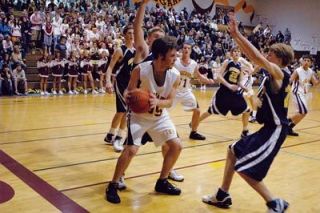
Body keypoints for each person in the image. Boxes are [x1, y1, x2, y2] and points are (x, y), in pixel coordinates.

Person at [202, 13, 294, 212]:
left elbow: (256, 57)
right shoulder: (275, 75)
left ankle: (274, 202)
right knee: (233, 151)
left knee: (246, 169)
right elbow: (256, 57)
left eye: (270, 54)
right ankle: (222, 194)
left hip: (275, 131)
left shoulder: (281, 73)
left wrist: (236, 35)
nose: (267, 56)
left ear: (279, 59)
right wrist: (235, 36)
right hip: (267, 128)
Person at [106, 36, 182, 204]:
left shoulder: (175, 75)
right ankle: (113, 184)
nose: (175, 58)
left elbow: (169, 101)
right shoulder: (140, 70)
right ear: (160, 56)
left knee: (176, 145)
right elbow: (129, 90)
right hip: (138, 117)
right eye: (172, 56)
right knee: (131, 150)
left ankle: (162, 181)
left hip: (159, 117)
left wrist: (157, 102)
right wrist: (128, 96)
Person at [132, 0, 183, 182]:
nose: (160, 40)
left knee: (171, 141)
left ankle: (168, 170)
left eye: (162, 37)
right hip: (139, 104)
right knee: (131, 148)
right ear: (150, 40)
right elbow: (137, 27)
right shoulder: (145, 52)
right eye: (156, 37)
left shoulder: (168, 62)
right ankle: (120, 175)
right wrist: (143, 5)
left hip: (157, 110)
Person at [199, 47, 251, 138]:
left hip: (234, 93)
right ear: (231, 54)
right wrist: (229, 85)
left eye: (238, 51)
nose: (237, 53)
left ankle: (245, 131)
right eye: (235, 51)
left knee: (247, 110)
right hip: (224, 92)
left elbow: (238, 82)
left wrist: (245, 88)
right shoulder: (227, 62)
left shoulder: (240, 66)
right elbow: (219, 76)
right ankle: (195, 122)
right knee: (211, 111)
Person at [174, 42, 214, 140]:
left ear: (191, 51)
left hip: (186, 91)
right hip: (174, 91)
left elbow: (198, 76)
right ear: (181, 50)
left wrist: (208, 80)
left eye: (188, 48)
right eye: (184, 48)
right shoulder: (175, 62)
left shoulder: (193, 64)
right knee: (163, 110)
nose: (186, 50)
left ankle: (193, 132)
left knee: (197, 111)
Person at [104, 25, 135, 153]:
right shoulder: (120, 50)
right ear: (124, 35)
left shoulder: (136, 51)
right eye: (129, 33)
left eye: (133, 33)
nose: (132, 35)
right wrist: (107, 82)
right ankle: (119, 138)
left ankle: (111, 135)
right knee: (123, 111)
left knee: (123, 112)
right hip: (120, 83)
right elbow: (110, 67)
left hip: (131, 85)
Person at [287, 55, 319, 136]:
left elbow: (315, 83)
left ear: (311, 63)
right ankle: (285, 122)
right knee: (303, 111)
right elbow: (290, 80)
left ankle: (289, 127)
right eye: (305, 60)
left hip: (304, 94)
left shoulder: (311, 71)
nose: (306, 62)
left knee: (303, 113)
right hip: (296, 92)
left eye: (308, 61)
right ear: (302, 61)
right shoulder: (298, 70)